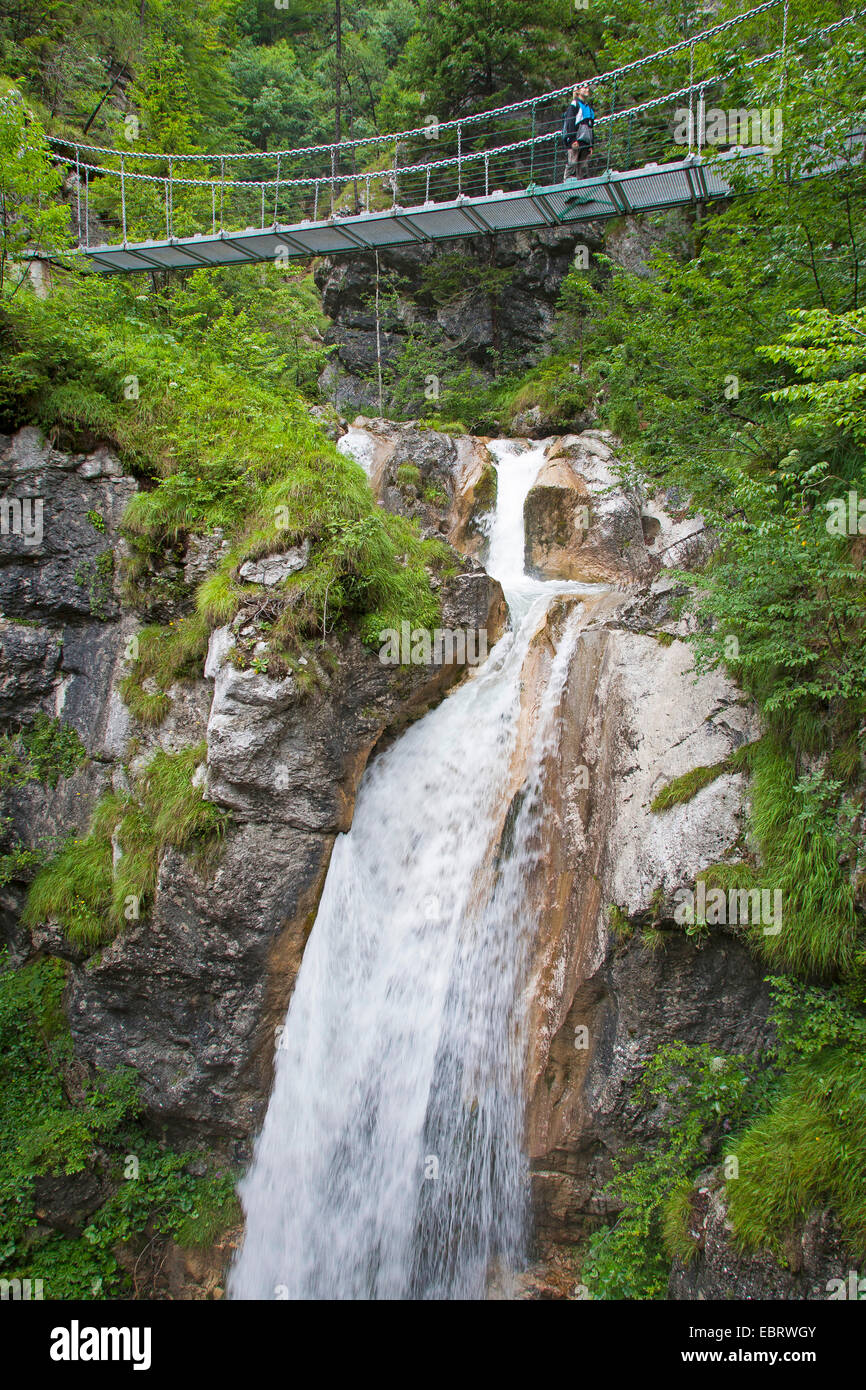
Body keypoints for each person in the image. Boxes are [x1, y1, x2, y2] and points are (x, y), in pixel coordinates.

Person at [562, 82, 595, 178]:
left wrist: (591, 144)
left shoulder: (589, 108)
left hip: (585, 141)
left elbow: (591, 127)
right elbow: (570, 122)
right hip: (576, 140)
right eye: (584, 87)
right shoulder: (575, 105)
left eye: (587, 87)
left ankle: (581, 188)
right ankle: (567, 186)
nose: (587, 89)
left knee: (583, 168)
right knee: (572, 164)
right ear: (578, 91)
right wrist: (572, 139)